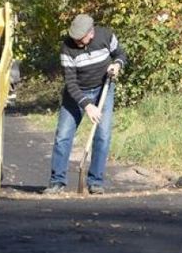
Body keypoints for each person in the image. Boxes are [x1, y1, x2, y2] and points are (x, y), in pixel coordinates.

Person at [44, 13, 126, 195]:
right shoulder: (67, 48)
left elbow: (120, 53)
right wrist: (88, 105)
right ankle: (57, 182)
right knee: (63, 136)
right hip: (76, 94)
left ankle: (95, 181)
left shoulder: (106, 36)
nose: (78, 43)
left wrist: (117, 65)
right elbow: (71, 83)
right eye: (75, 39)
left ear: (91, 33)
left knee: (102, 135)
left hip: (103, 89)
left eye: (81, 39)